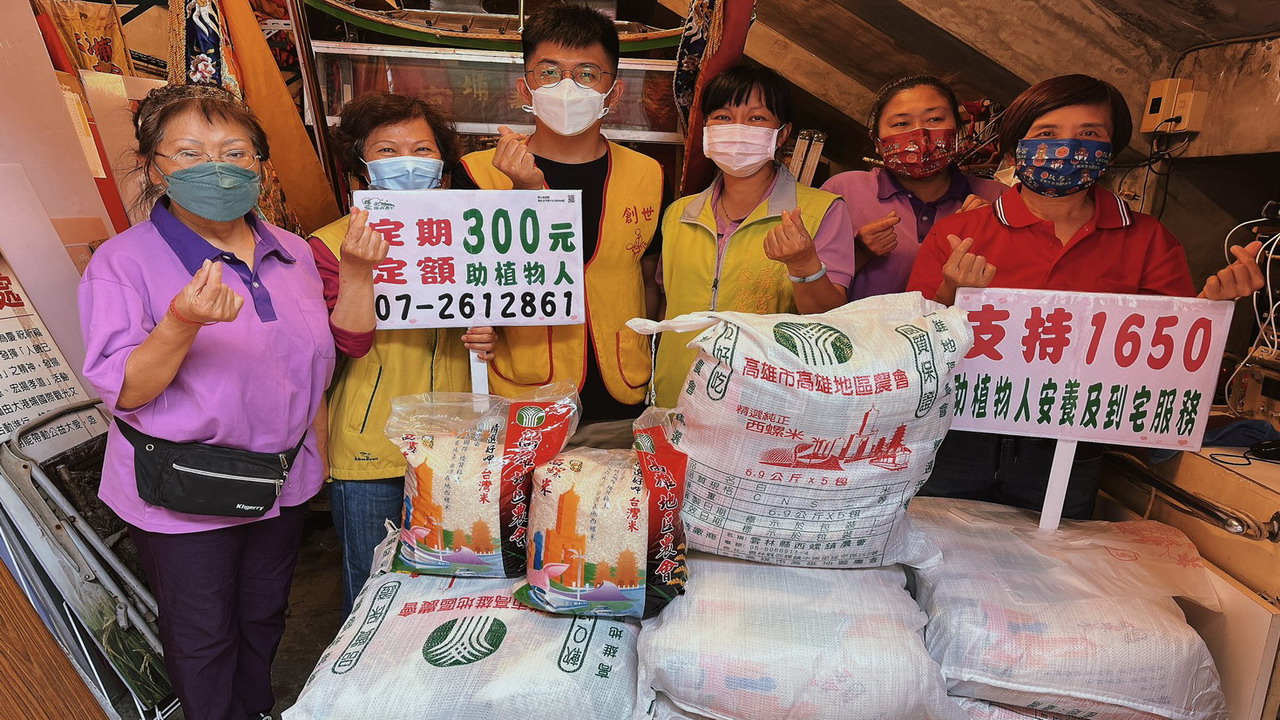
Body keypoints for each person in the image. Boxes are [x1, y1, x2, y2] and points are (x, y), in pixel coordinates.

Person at [78, 84, 385, 720]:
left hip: (281, 480)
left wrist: (316, 462)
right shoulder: (123, 262)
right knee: (202, 636)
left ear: (261, 164)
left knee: (264, 615)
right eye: (188, 151)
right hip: (184, 492)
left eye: (235, 150)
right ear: (152, 166)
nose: (215, 166)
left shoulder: (293, 251)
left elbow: (325, 359)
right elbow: (126, 390)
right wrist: (180, 323)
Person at [906, 74, 1264, 519]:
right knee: (933, 554)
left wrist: (1208, 310)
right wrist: (949, 292)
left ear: (1111, 149)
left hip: (1072, 447)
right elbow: (910, 343)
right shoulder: (960, 232)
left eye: (1089, 134)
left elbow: (1164, 360)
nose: (1065, 148)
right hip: (956, 437)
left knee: (1050, 571)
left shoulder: (1149, 239)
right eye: (1046, 133)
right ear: (1017, 143)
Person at [307, 92, 497, 618]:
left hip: (458, 441)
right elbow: (344, 343)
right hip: (371, 447)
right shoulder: (327, 244)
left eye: (422, 148)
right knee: (371, 586)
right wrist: (357, 271)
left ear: (442, 164)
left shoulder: (474, 235)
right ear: (362, 166)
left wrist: (488, 339)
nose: (407, 161)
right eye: (387, 149)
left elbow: (499, 308)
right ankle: (356, 689)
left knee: (453, 584)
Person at [451, 2, 662, 442]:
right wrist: (524, 194)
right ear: (525, 89)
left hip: (620, 398)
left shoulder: (648, 174)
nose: (567, 86)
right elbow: (461, 286)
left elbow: (649, 279)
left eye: (587, 73)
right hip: (523, 396)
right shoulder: (477, 172)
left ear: (615, 93)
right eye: (549, 72)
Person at [651, 66, 857, 408]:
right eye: (722, 116)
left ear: (783, 133)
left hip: (767, 405)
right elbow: (665, 306)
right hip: (677, 396)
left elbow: (830, 325)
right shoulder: (679, 214)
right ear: (705, 128)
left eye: (757, 118)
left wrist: (804, 264)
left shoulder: (821, 211)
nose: (737, 128)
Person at [822, 75, 1005, 301]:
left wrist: (994, 233)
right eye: (901, 123)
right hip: (863, 334)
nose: (921, 135)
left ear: (958, 131)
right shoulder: (843, 189)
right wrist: (859, 252)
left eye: (935, 119)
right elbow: (815, 294)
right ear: (877, 142)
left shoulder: (998, 197)